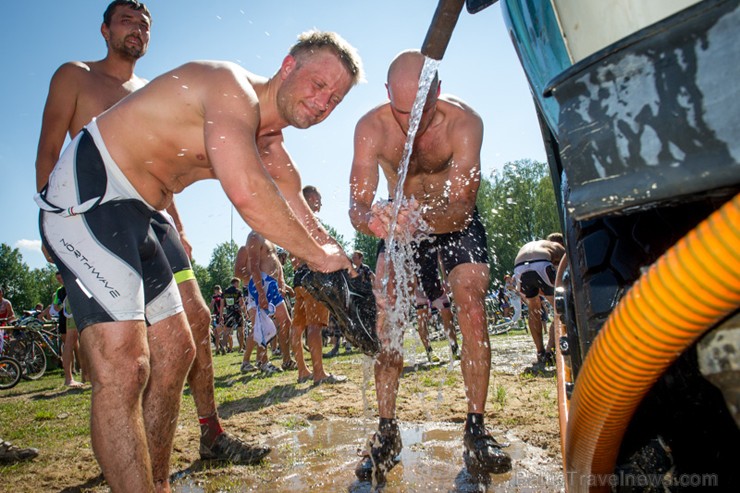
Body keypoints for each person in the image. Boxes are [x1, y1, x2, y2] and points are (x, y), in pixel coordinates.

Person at [36, 13, 361, 489]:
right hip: (91, 192)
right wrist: (316, 257)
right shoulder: (231, 89)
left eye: (334, 99)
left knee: (177, 349)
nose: (322, 103)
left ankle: (158, 482)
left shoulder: (271, 143)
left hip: (148, 211)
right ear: (288, 65)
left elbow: (301, 213)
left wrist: (345, 264)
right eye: (317, 84)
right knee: (126, 365)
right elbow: (248, 193)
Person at [348, 49, 511, 481]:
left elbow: (461, 207)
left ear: (438, 90)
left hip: (452, 219)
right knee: (388, 319)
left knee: (471, 304)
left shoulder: (465, 123)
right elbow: (356, 205)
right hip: (400, 223)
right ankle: (386, 432)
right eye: (403, 113)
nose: (412, 125)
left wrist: (412, 216)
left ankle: (476, 430)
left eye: (421, 112)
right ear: (387, 95)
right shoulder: (371, 128)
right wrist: (373, 219)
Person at [290, 186, 347, 385]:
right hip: (313, 278)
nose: (321, 204)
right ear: (311, 198)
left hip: (298, 280)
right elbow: (326, 245)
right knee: (315, 326)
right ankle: (319, 374)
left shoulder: (293, 221)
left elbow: (292, 257)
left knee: (297, 327)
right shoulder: (310, 220)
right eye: (319, 199)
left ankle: (302, 371)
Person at [242, 231, 297, 372]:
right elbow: (254, 266)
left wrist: (282, 281)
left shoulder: (269, 237)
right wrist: (260, 292)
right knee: (261, 325)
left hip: (272, 285)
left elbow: (277, 262)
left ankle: (286, 360)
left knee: (286, 322)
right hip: (261, 283)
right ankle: (264, 362)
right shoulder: (254, 236)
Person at [513, 233, 565, 366]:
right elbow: (567, 270)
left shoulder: (537, 245)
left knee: (533, 309)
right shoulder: (559, 247)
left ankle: (540, 352)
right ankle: (550, 351)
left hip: (519, 267)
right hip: (541, 264)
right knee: (560, 309)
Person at [219, 278, 246, 355]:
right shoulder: (238, 291)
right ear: (236, 283)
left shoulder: (224, 292)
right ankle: (241, 348)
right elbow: (242, 303)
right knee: (241, 331)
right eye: (238, 283)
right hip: (237, 312)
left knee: (226, 331)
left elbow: (221, 305)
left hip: (229, 313)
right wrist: (246, 313)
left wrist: (221, 316)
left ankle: (223, 346)